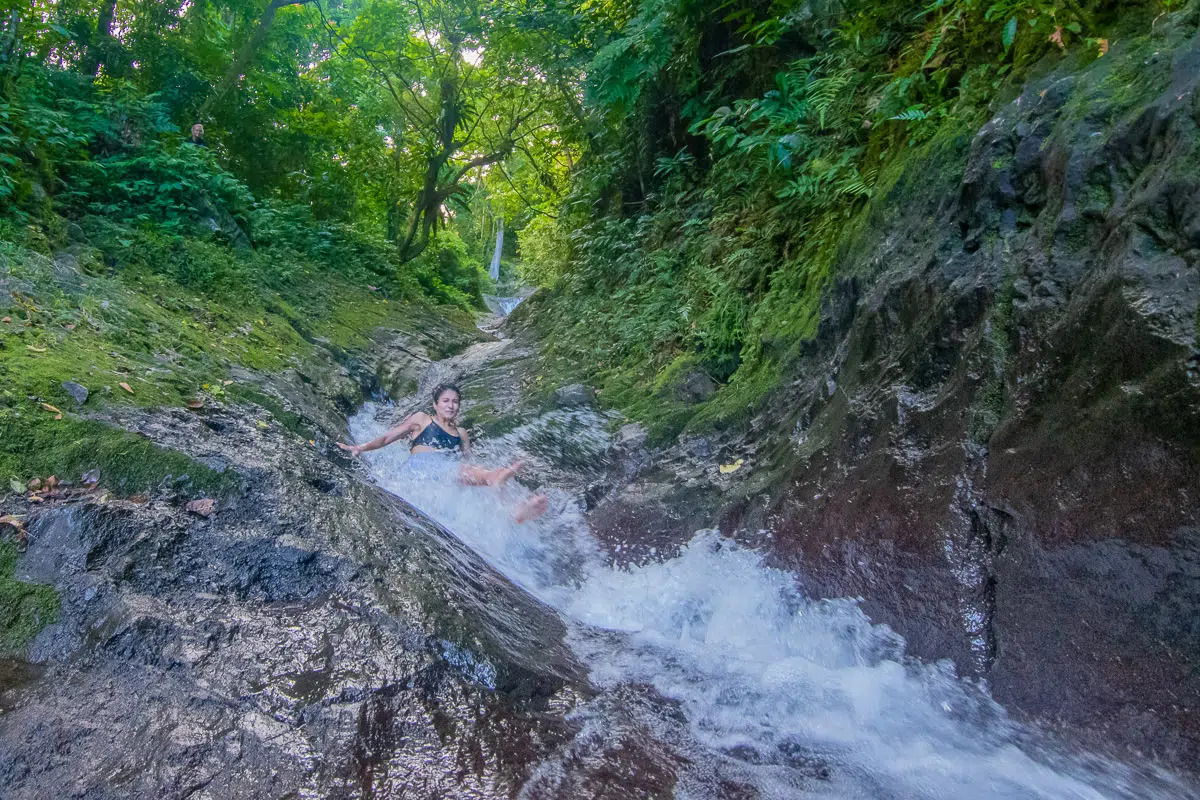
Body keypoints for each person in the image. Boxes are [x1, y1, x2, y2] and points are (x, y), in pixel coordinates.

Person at [337, 383, 548, 523]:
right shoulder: (422, 419)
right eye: (446, 401)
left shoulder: (461, 434)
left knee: (478, 481)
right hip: (419, 471)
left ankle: (512, 512)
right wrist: (361, 447)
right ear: (435, 405)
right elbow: (386, 438)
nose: (451, 405)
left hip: (444, 478)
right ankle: (495, 477)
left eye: (455, 401)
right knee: (480, 474)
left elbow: (468, 467)